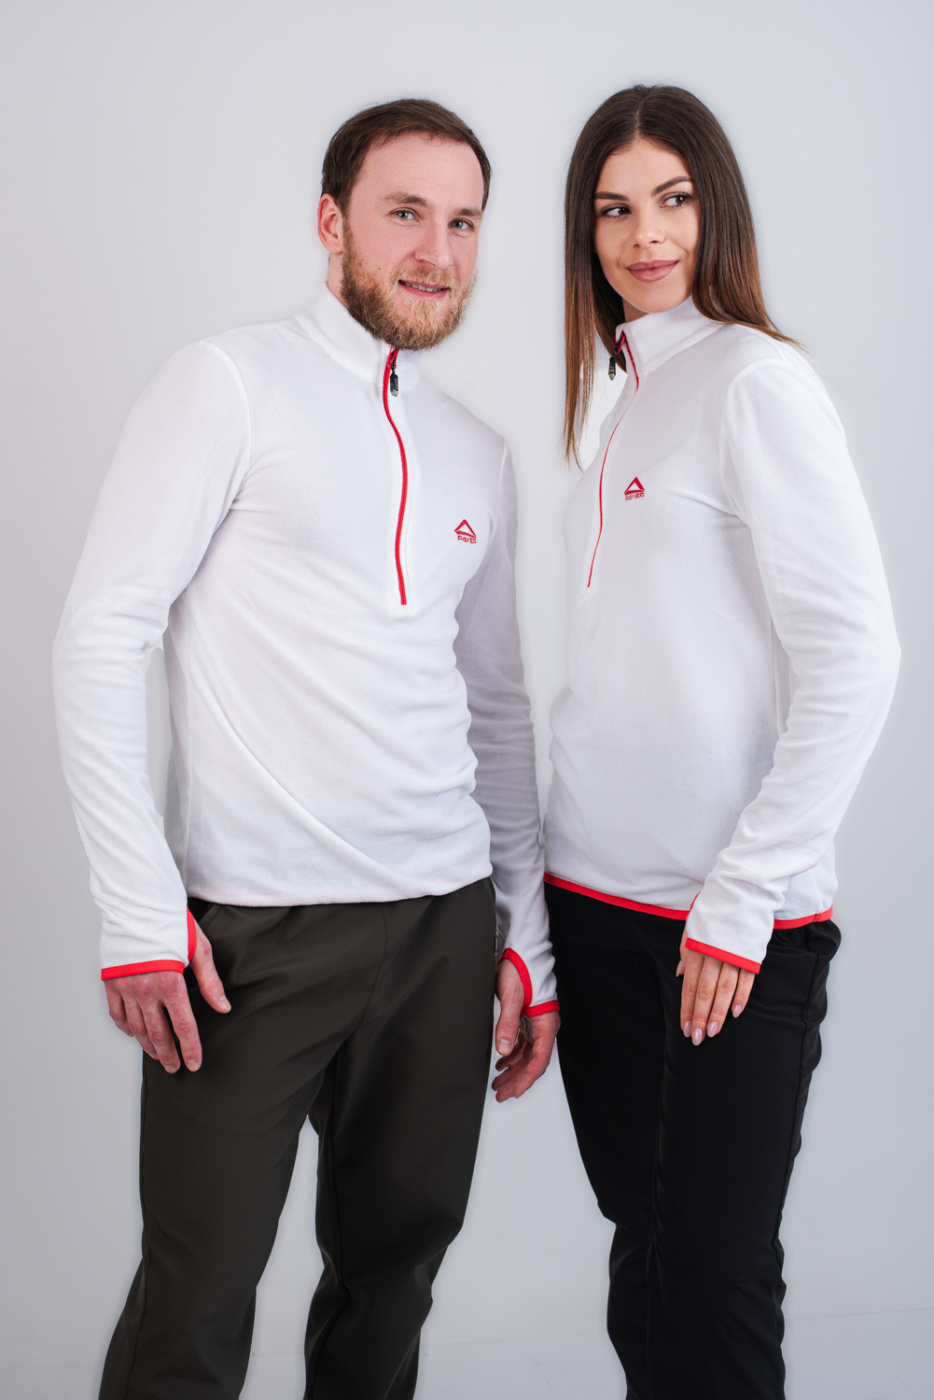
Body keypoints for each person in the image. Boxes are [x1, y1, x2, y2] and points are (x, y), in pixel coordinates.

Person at [53, 97, 559, 1400]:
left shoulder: (477, 453)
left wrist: (523, 938)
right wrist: (137, 913)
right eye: (405, 213)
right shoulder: (225, 383)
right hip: (250, 938)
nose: (437, 251)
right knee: (196, 1296)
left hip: (443, 926)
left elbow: (496, 711)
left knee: (393, 1281)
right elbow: (101, 637)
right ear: (331, 222)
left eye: (463, 223)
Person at [544, 85, 898, 1400]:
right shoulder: (614, 398)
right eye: (612, 209)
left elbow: (857, 653)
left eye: (673, 199)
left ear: (717, 209)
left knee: (714, 1270)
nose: (645, 235)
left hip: (727, 923)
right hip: (593, 904)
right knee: (644, 1254)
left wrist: (743, 896)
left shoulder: (756, 381)